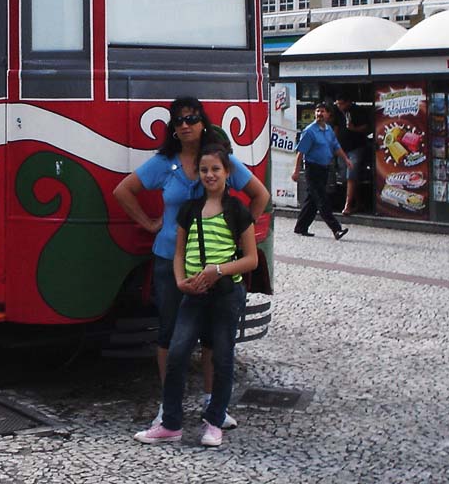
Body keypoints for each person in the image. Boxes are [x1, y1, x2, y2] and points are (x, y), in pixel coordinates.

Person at [114, 96, 269, 431]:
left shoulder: (217, 160)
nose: (185, 125)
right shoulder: (163, 163)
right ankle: (168, 406)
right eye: (179, 120)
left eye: (192, 118)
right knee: (169, 334)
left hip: (215, 266)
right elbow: (123, 191)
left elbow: (261, 195)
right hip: (171, 261)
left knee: (213, 337)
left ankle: (212, 403)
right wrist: (149, 223)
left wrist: (238, 231)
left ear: (203, 122)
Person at [133, 145, 258, 447]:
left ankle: (214, 421)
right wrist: (180, 282)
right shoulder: (189, 209)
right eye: (204, 170)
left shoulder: (237, 210)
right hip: (193, 294)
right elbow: (178, 254)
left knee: (223, 357)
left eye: (216, 169)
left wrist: (218, 270)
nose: (209, 175)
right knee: (177, 353)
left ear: (227, 173)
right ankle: (171, 423)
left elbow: (251, 259)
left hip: (226, 294)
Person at [292, 103, 351, 240]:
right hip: (312, 169)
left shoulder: (329, 130)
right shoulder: (309, 131)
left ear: (328, 114)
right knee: (321, 200)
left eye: (322, 111)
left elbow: (335, 146)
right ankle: (336, 229)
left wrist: (346, 159)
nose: (319, 114)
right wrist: (296, 171)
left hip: (324, 169)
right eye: (317, 111)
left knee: (312, 200)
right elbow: (300, 153)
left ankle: (300, 227)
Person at [333, 95, 370, 215]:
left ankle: (347, 205)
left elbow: (367, 128)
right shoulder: (338, 113)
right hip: (342, 148)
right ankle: (358, 202)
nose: (339, 107)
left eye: (341, 104)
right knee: (345, 177)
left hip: (356, 147)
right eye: (337, 104)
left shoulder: (358, 111)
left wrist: (354, 129)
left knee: (351, 175)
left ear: (348, 102)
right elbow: (336, 129)